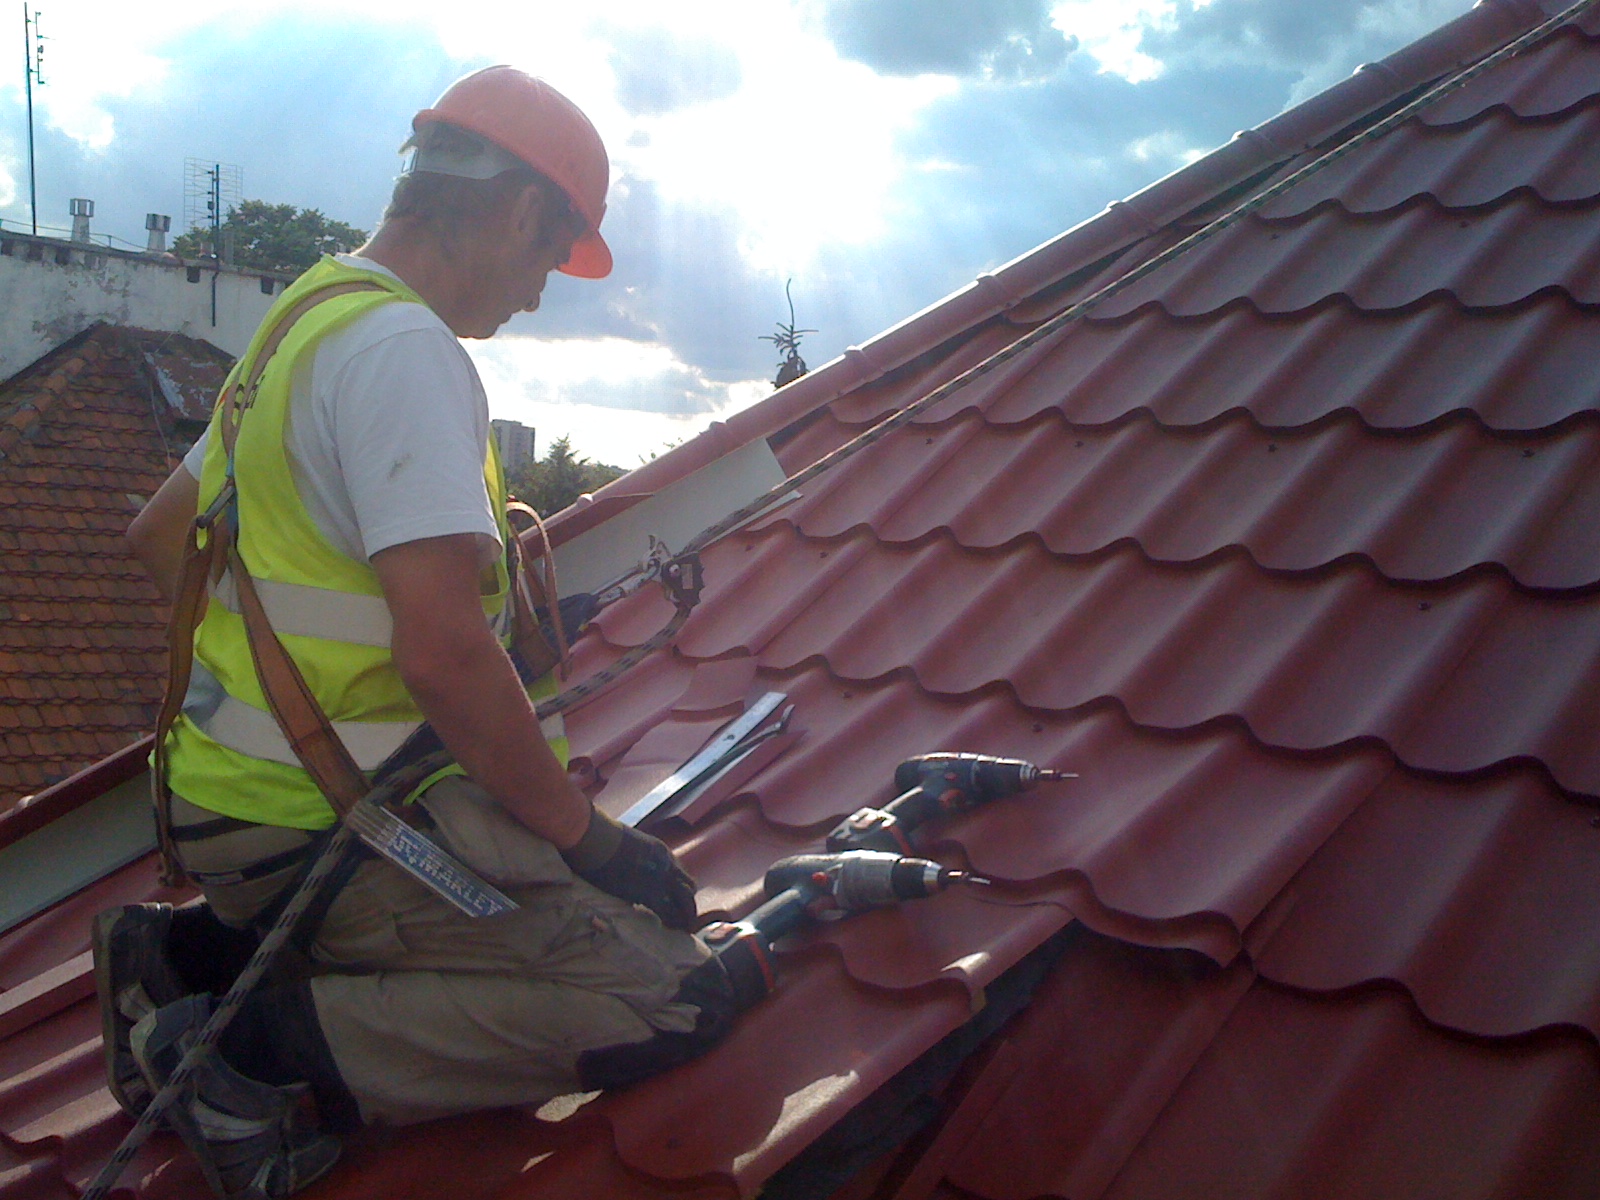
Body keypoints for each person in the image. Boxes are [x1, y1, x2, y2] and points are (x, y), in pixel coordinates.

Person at [102, 66, 737, 1200]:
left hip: (228, 817)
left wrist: (274, 693)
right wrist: (586, 837)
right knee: (666, 995)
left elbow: (163, 538)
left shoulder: (305, 320)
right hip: (324, 829)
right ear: (522, 211)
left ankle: (188, 954)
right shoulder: (404, 351)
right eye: (551, 258)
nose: (538, 297)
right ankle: (241, 1055)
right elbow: (441, 655)